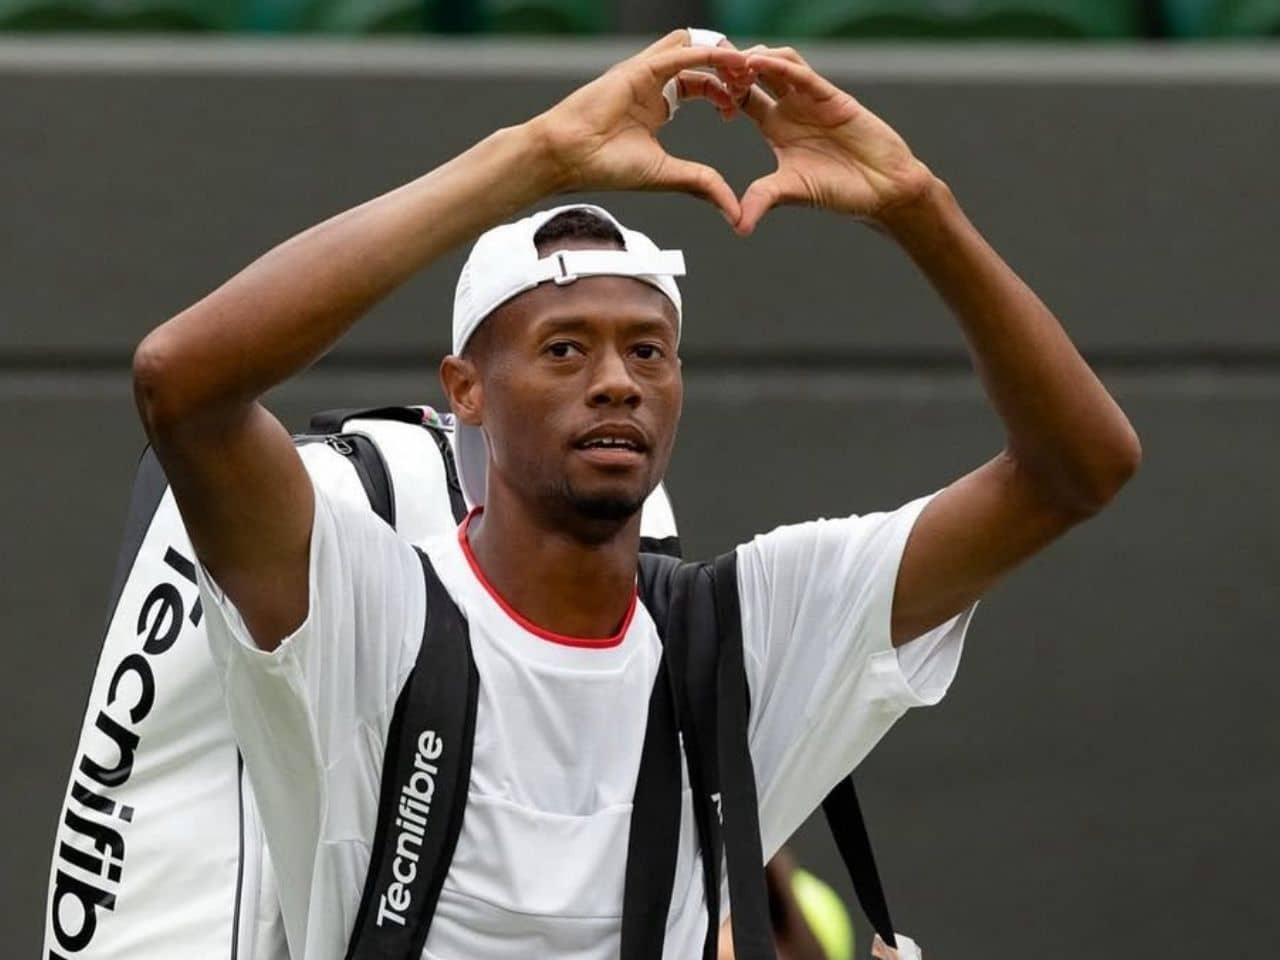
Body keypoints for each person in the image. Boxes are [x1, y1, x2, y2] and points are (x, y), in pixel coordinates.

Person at [131, 29, 1141, 960]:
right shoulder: (367, 603)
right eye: (564, 347)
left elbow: (1077, 468)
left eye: (647, 351)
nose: (616, 380)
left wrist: (916, 207)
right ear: (465, 392)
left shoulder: (750, 629)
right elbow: (182, 384)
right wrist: (534, 155)